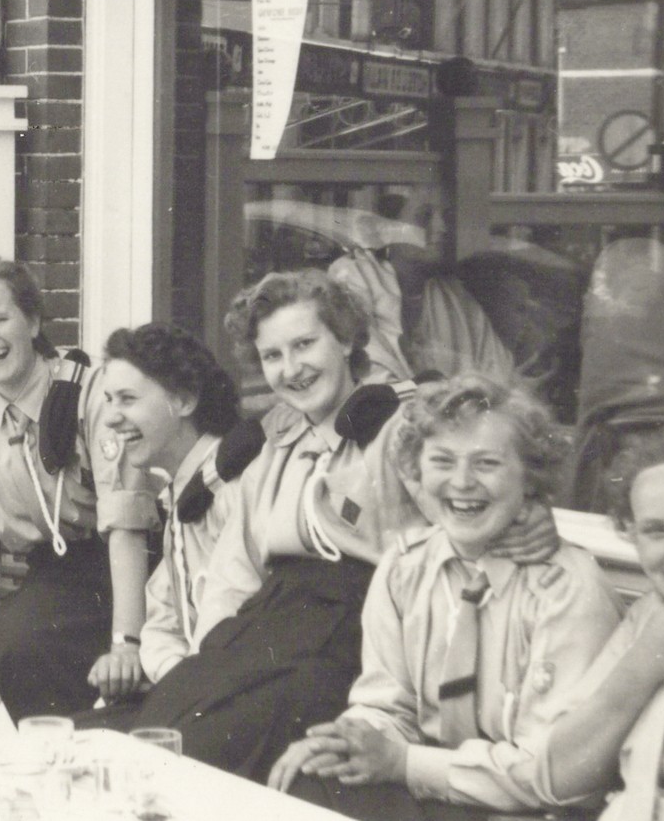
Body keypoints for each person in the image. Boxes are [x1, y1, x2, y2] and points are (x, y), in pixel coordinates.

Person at [127, 269, 559, 781]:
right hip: (265, 631)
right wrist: (207, 664)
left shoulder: (398, 429)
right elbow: (232, 575)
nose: (292, 369)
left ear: (347, 340)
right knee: (157, 732)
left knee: (202, 752)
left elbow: (465, 505)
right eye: (272, 356)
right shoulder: (275, 446)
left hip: (354, 637)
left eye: (304, 344)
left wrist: (529, 514)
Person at [269, 374, 621, 819]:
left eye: (486, 463)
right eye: (441, 461)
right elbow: (386, 706)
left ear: (530, 478)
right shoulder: (403, 569)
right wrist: (347, 741)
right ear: (416, 471)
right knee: (309, 779)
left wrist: (405, 763)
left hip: (526, 806)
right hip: (434, 790)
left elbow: (556, 774)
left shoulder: (567, 591)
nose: (462, 481)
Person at [0, 258, 157, 719]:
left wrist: (126, 643)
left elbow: (127, 525)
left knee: (28, 643)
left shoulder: (92, 395)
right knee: (13, 643)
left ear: (33, 322)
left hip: (133, 562)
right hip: (56, 574)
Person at [540, 424, 664, 821]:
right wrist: (644, 664)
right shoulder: (649, 617)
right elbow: (560, 778)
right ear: (631, 535)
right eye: (656, 531)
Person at [79, 322, 240, 714]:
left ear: (183, 401)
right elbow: (161, 618)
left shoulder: (230, 489)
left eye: (128, 399)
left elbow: (227, 628)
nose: (111, 418)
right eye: (109, 400)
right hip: (188, 688)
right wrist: (169, 675)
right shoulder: (179, 490)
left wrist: (174, 689)